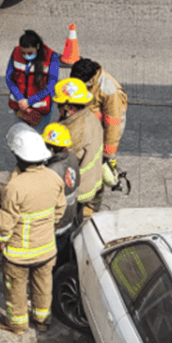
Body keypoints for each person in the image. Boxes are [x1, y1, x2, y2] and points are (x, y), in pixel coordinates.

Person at [0, 125, 66, 335]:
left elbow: (5, 225)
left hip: (18, 255)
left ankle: (17, 324)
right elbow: (60, 210)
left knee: (15, 288)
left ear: (19, 157)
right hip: (46, 250)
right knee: (43, 285)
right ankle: (42, 319)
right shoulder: (54, 178)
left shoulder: (15, 186)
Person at [71, 58, 128, 207]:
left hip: (101, 135)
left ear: (90, 79)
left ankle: (93, 204)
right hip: (86, 129)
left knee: (97, 171)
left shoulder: (109, 90)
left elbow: (113, 124)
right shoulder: (86, 78)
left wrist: (108, 154)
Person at [52, 78, 104, 216]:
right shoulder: (88, 116)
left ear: (69, 107)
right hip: (90, 179)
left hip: (79, 186)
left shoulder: (75, 131)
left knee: (71, 220)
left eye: (59, 105)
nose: (57, 107)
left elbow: (63, 161)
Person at [6, 29, 60, 135]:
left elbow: (50, 85)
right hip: (20, 106)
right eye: (23, 53)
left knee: (37, 140)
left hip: (40, 109)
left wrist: (29, 101)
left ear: (37, 47)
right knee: (20, 139)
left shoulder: (51, 57)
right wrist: (20, 98)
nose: (26, 55)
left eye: (30, 52)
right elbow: (9, 78)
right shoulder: (16, 52)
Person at [42, 122, 81, 263]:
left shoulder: (52, 170)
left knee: (51, 260)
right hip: (69, 218)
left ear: (52, 147)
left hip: (57, 224)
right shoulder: (72, 159)